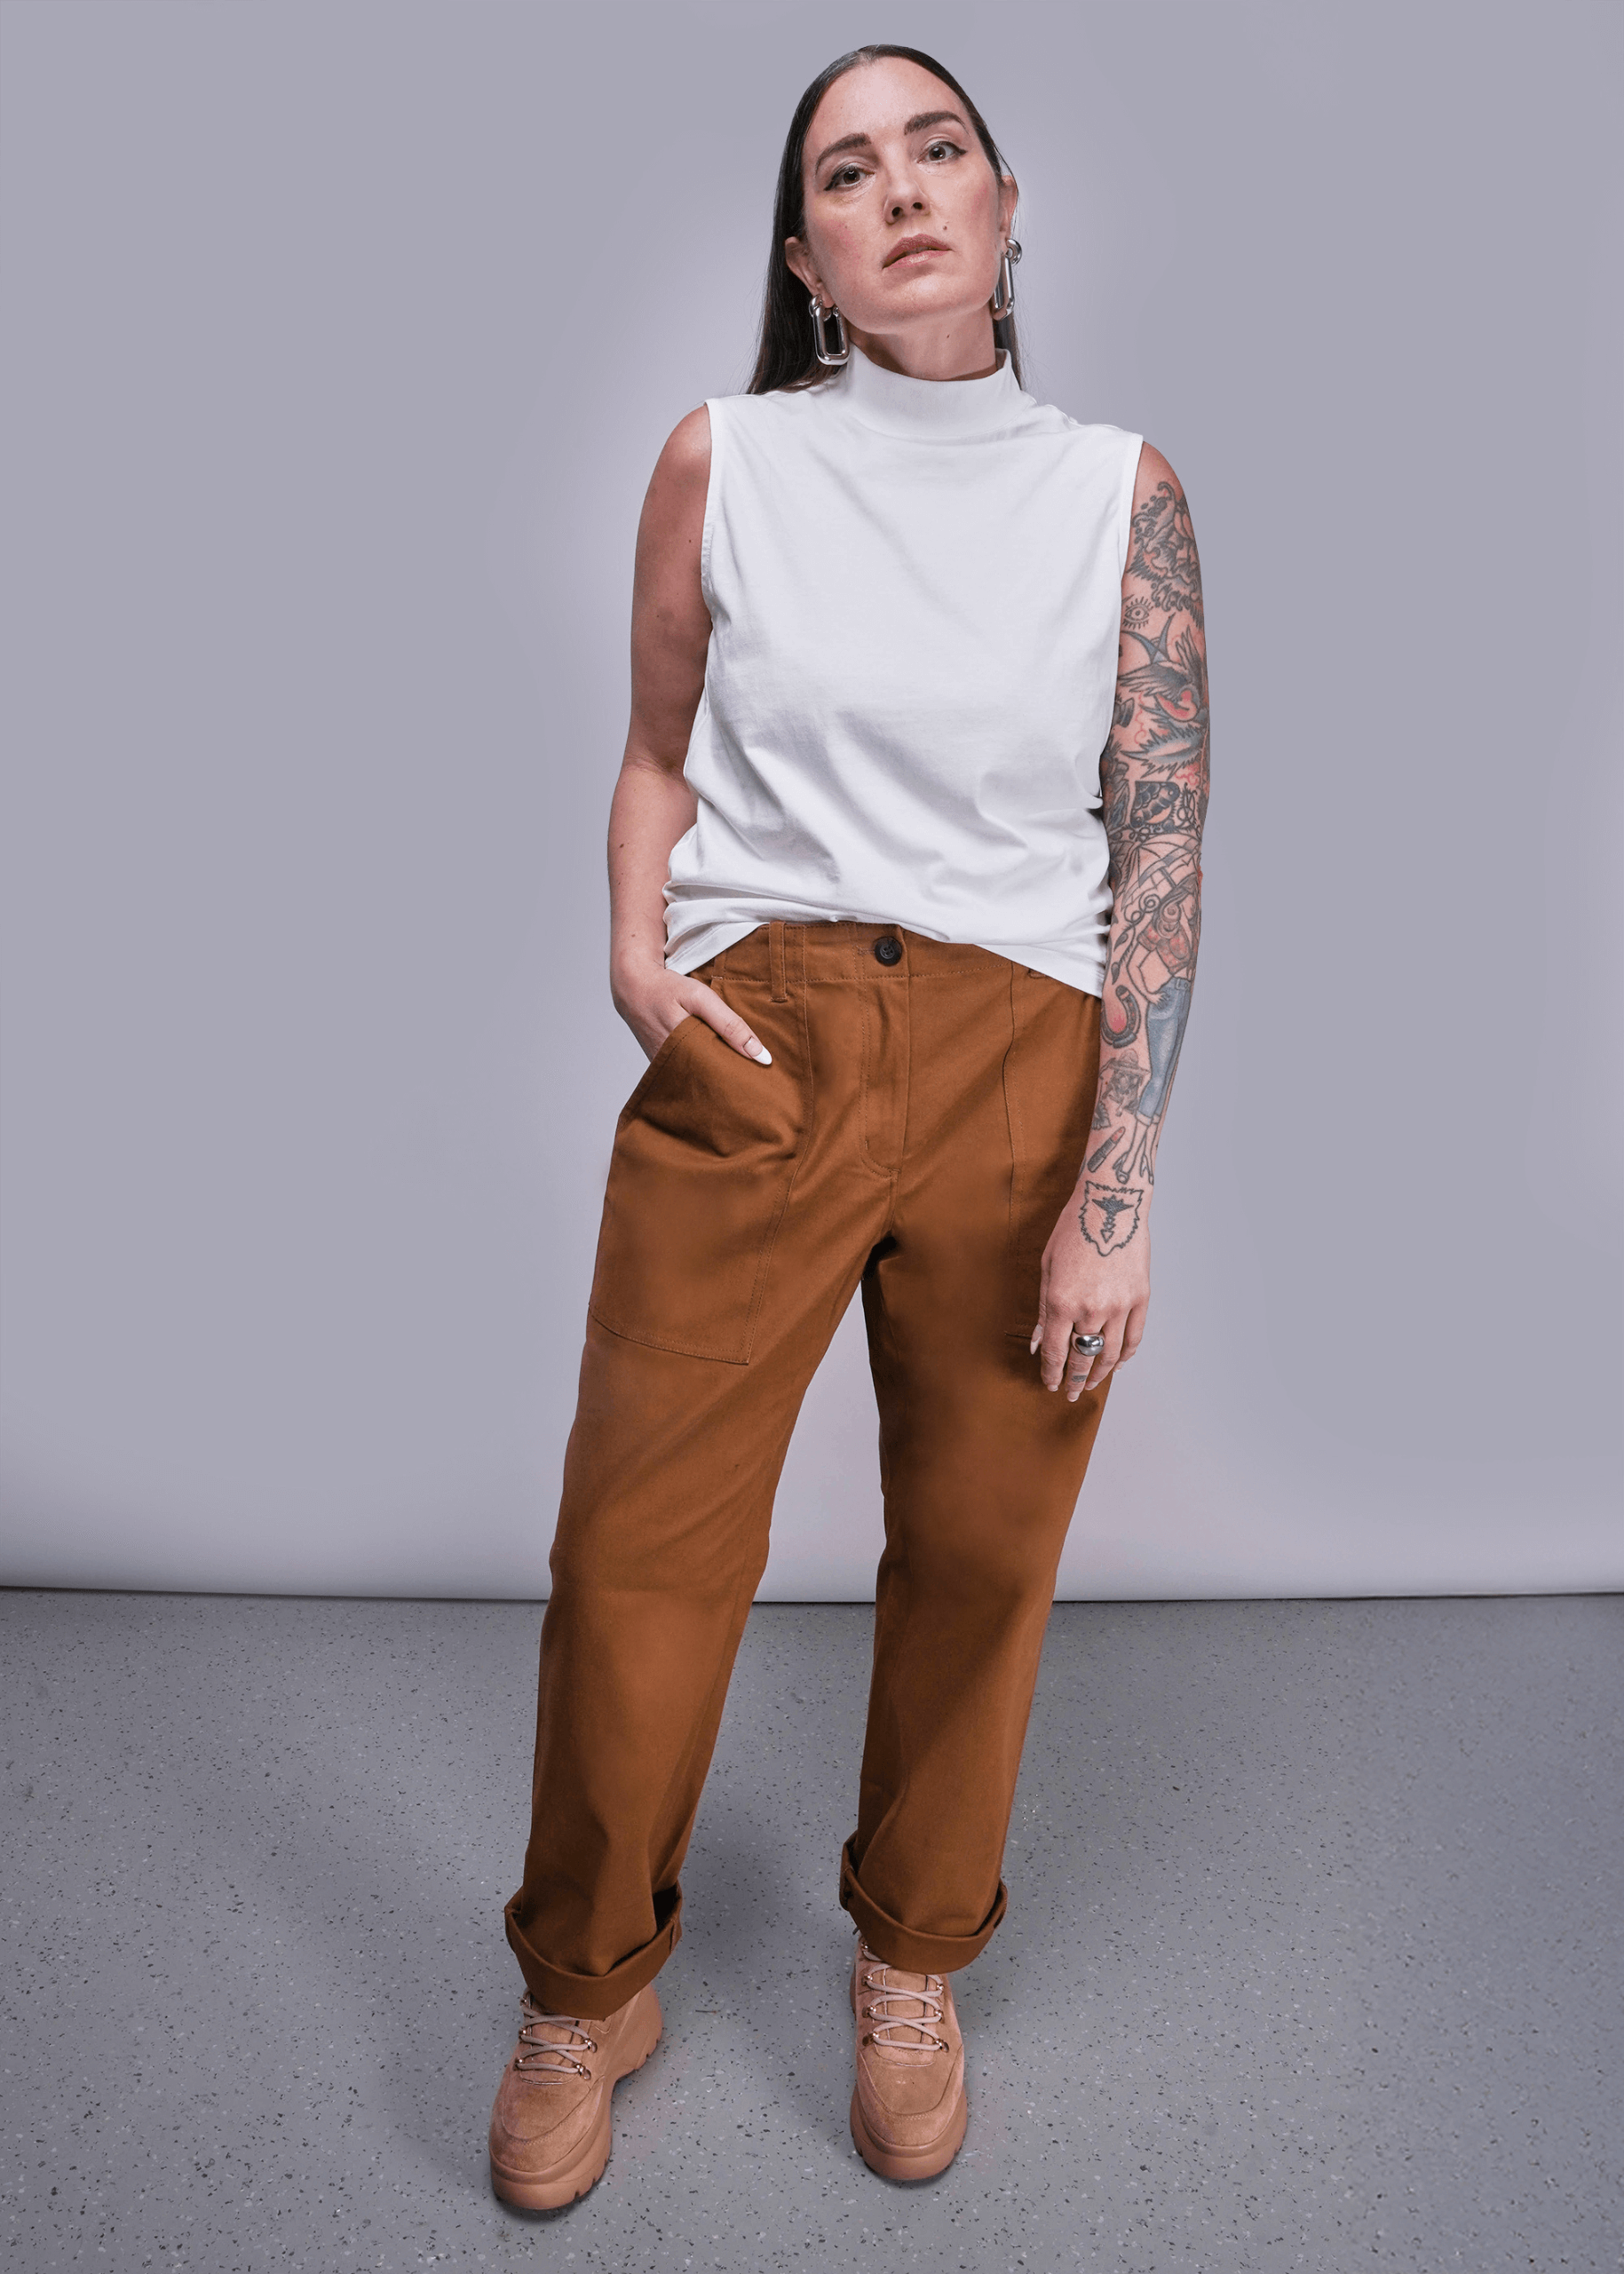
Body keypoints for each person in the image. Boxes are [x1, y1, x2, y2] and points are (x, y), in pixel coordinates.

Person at [487, 42, 1208, 2207]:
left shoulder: (1117, 494)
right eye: (843, 171)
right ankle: (577, 1982)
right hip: (767, 1038)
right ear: (803, 258)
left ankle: (911, 1959)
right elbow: (649, 748)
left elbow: (1156, 838)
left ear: (1001, 208)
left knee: (982, 1551)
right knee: (640, 1548)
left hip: (1021, 1055)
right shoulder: (724, 460)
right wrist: (635, 955)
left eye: (936, 149)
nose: (897, 189)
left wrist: (1114, 1191)